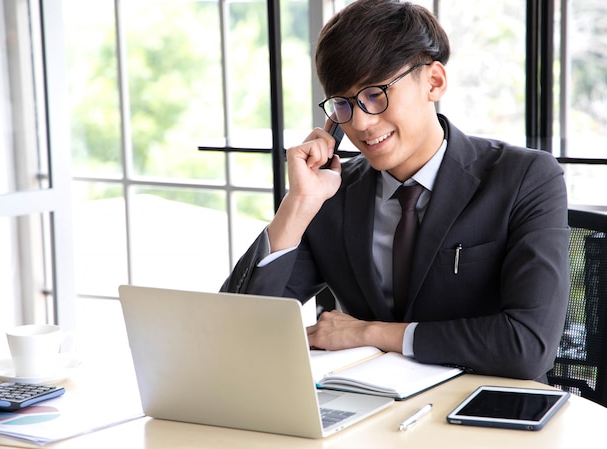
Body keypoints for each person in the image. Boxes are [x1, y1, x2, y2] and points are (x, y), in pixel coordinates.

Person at [221, 0, 569, 382]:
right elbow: (236, 332)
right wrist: (298, 205)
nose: (363, 123)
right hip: (368, 415)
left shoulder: (524, 178)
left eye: (375, 94)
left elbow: (528, 346)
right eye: (344, 104)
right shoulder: (332, 194)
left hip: (485, 412)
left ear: (433, 82)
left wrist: (371, 333)